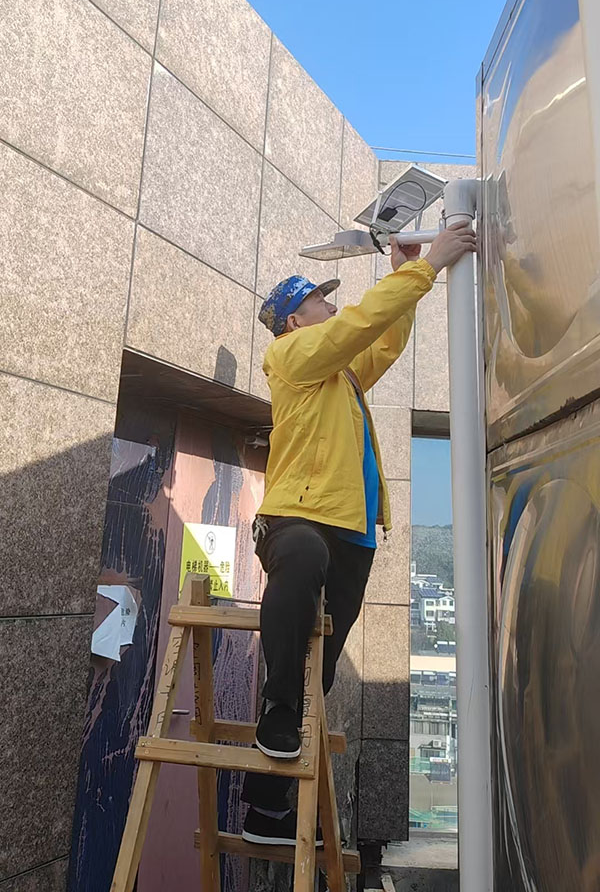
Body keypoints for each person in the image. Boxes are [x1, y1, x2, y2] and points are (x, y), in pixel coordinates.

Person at [241, 222, 476, 846]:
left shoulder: (339, 374)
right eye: (320, 299)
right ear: (294, 321)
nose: (331, 305)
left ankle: (266, 810)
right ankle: (276, 709)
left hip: (352, 532)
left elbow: (382, 338)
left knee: (318, 667)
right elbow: (355, 327)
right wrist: (423, 270)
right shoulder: (290, 358)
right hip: (298, 517)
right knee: (300, 557)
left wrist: (404, 276)